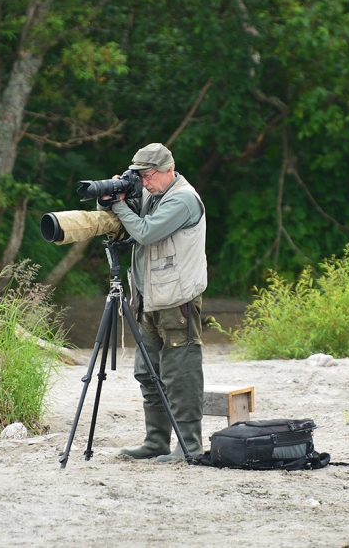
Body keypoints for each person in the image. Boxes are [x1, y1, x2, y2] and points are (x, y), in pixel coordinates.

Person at [99, 142, 207, 462]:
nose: (144, 183)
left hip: (177, 301)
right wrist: (113, 196)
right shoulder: (153, 192)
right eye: (140, 177)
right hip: (146, 298)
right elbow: (121, 224)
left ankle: (189, 445)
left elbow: (145, 232)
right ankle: (156, 441)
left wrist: (120, 205)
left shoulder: (183, 199)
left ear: (167, 170)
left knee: (179, 374)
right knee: (148, 372)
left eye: (148, 176)